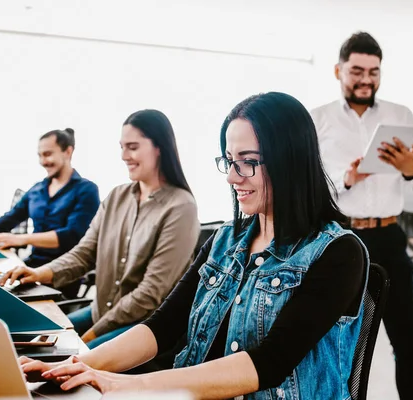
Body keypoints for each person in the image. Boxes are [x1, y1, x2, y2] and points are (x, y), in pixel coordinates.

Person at [18, 92, 368, 399]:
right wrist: (72, 364)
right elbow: (163, 326)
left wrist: (120, 385)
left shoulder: (338, 253)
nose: (232, 177)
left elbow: (269, 364)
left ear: (290, 160)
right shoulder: (224, 241)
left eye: (248, 162)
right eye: (230, 161)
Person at [0, 110, 200, 349]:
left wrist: (92, 335)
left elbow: (149, 294)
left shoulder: (181, 207)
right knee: (28, 339)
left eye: (133, 147)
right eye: (122, 147)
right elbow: (84, 253)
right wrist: (39, 273)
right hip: (102, 311)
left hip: (144, 326)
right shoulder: (117, 196)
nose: (124, 156)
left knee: (66, 359)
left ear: (160, 148)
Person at [311, 32, 413, 400]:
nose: (366, 80)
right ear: (338, 70)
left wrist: (410, 168)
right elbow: (311, 190)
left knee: (408, 341)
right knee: (333, 343)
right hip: (340, 240)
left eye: (374, 72)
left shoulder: (401, 116)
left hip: (390, 238)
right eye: (357, 71)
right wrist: (348, 179)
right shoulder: (318, 120)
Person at [0, 128, 100, 270]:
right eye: (40, 156)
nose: (43, 161)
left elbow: (72, 236)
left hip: (64, 270)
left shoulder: (87, 190)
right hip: (33, 264)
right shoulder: (36, 190)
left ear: (68, 152)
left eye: (48, 154)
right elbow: (3, 223)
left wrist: (21, 239)